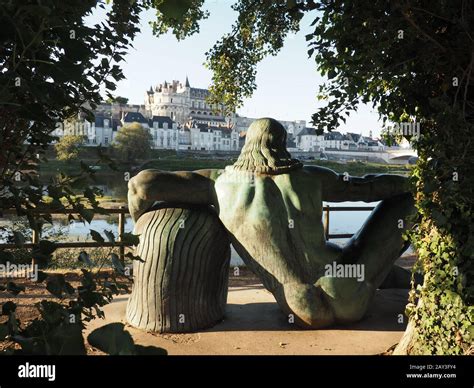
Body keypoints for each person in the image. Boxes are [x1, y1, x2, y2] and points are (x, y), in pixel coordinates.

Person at [128, 118, 415, 328]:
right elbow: (370, 187)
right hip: (346, 291)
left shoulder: (218, 183)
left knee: (345, 259)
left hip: (299, 306)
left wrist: (139, 222)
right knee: (407, 204)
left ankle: (403, 279)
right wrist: (419, 183)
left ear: (246, 144)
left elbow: (142, 185)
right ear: (283, 144)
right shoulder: (310, 177)